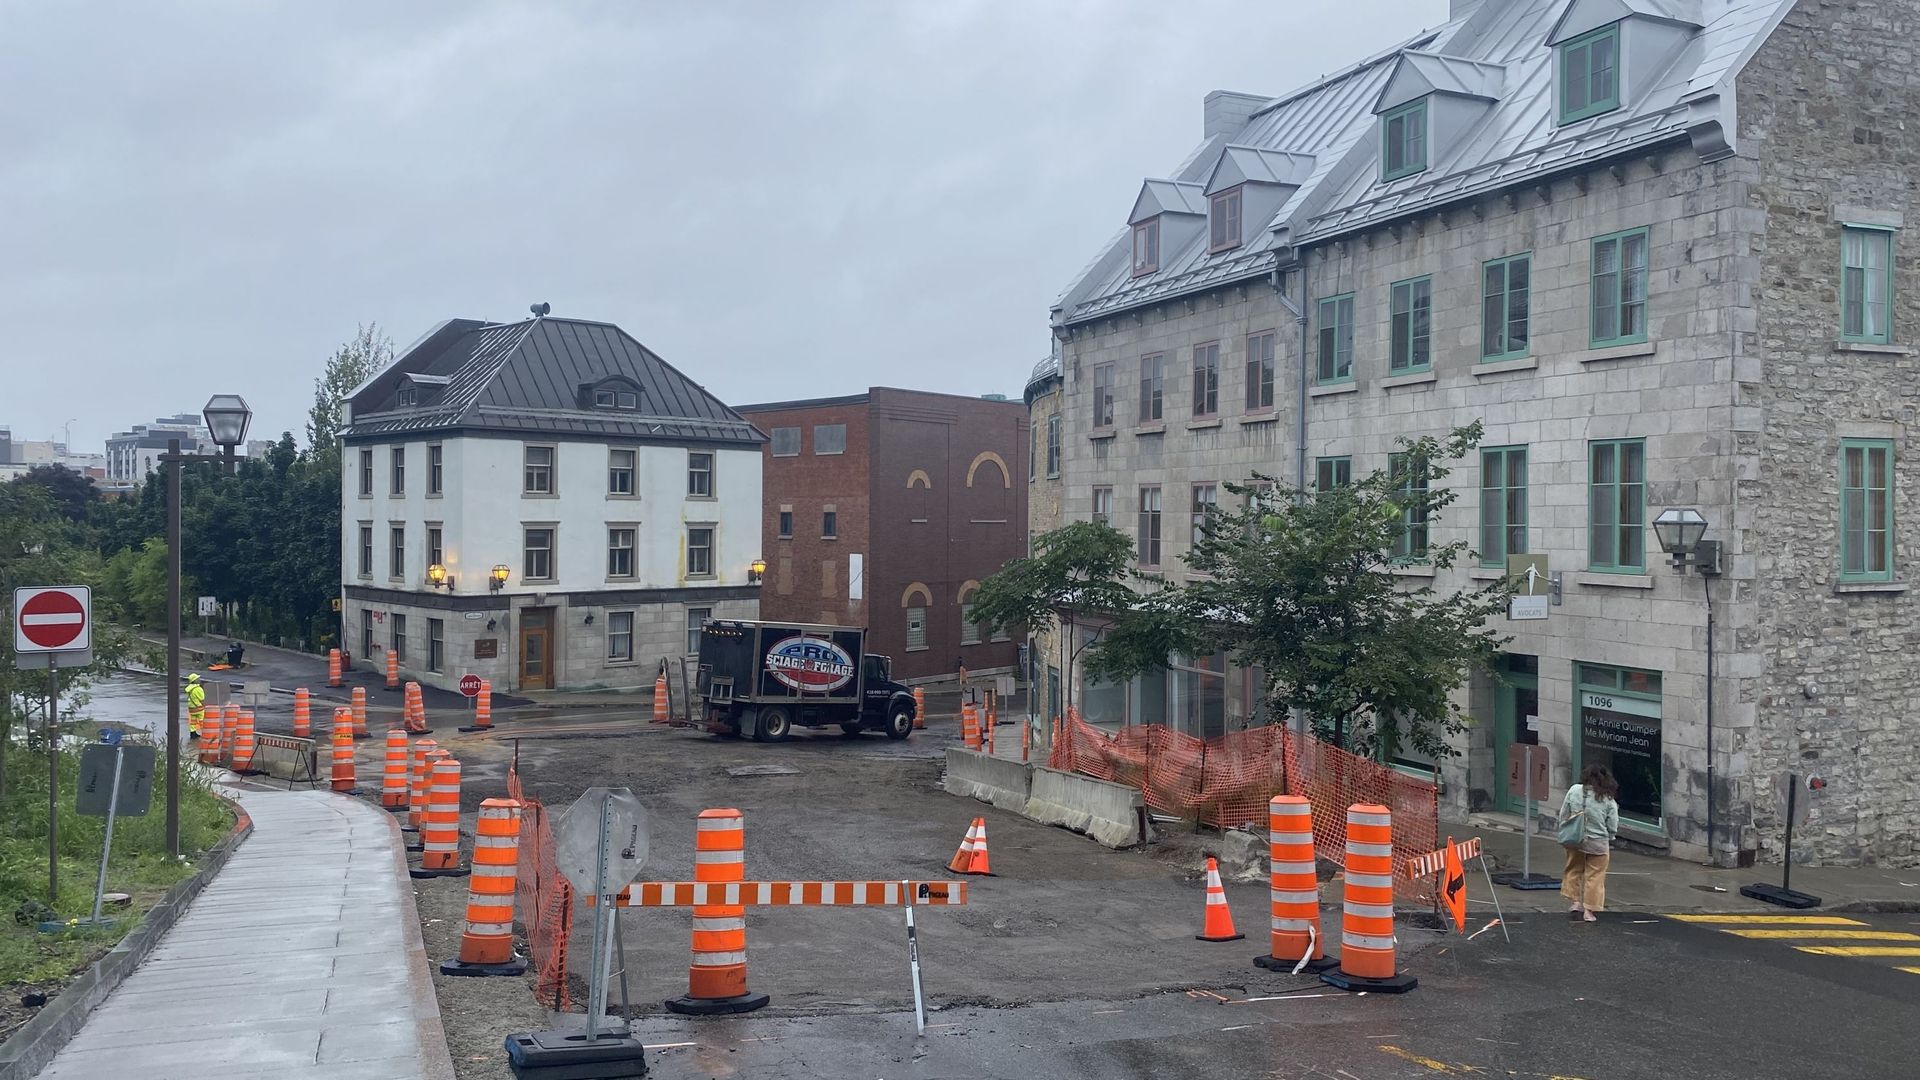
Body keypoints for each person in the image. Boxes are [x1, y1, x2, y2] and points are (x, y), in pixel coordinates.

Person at [1560, 763, 1621, 921]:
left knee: (1573, 869)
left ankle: (1575, 902)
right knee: (1595, 876)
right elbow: (1613, 823)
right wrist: (1611, 836)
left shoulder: (1574, 790)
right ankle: (1589, 911)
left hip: (1574, 839)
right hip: (1598, 842)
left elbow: (1564, 813)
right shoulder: (1608, 799)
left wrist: (1565, 829)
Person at [184, 672, 206, 739]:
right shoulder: (198, 689)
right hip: (199, 708)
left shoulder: (189, 689)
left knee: (193, 721)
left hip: (191, 708)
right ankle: (205, 733)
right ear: (195, 680)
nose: (199, 679)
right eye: (197, 678)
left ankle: (193, 734)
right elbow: (202, 698)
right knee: (202, 720)